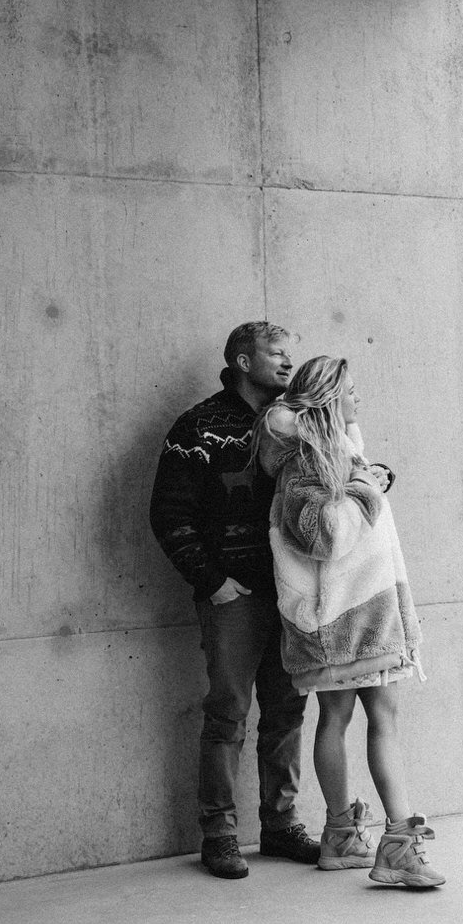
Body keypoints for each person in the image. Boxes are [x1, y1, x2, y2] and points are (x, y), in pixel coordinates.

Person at [254, 356, 442, 888]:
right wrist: (365, 486)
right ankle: (397, 849)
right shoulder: (308, 464)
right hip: (345, 625)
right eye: (352, 393)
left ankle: (341, 837)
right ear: (331, 400)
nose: (359, 400)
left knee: (346, 722)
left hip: (355, 621)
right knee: (374, 723)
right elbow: (325, 534)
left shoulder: (329, 456)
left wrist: (366, 475)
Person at [149, 321, 322, 879]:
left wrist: (374, 476)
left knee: (287, 712)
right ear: (244, 362)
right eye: (276, 353)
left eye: (289, 353)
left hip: (293, 592)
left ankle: (279, 825)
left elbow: (333, 477)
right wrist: (211, 580)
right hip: (234, 596)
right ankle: (219, 834)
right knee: (227, 714)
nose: (288, 362)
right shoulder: (197, 427)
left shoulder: (300, 424)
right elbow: (169, 515)